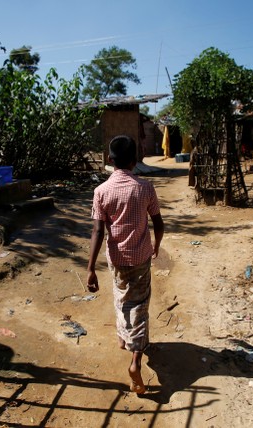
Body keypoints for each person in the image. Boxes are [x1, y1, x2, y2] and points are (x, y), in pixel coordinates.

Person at [86, 135, 164, 395]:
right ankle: (135, 361)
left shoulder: (101, 192)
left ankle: (123, 338)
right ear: (134, 160)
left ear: (110, 160)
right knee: (139, 306)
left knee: (121, 296)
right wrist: (156, 245)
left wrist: (89, 269)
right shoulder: (145, 188)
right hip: (140, 257)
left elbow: (97, 232)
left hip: (116, 258)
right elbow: (158, 222)